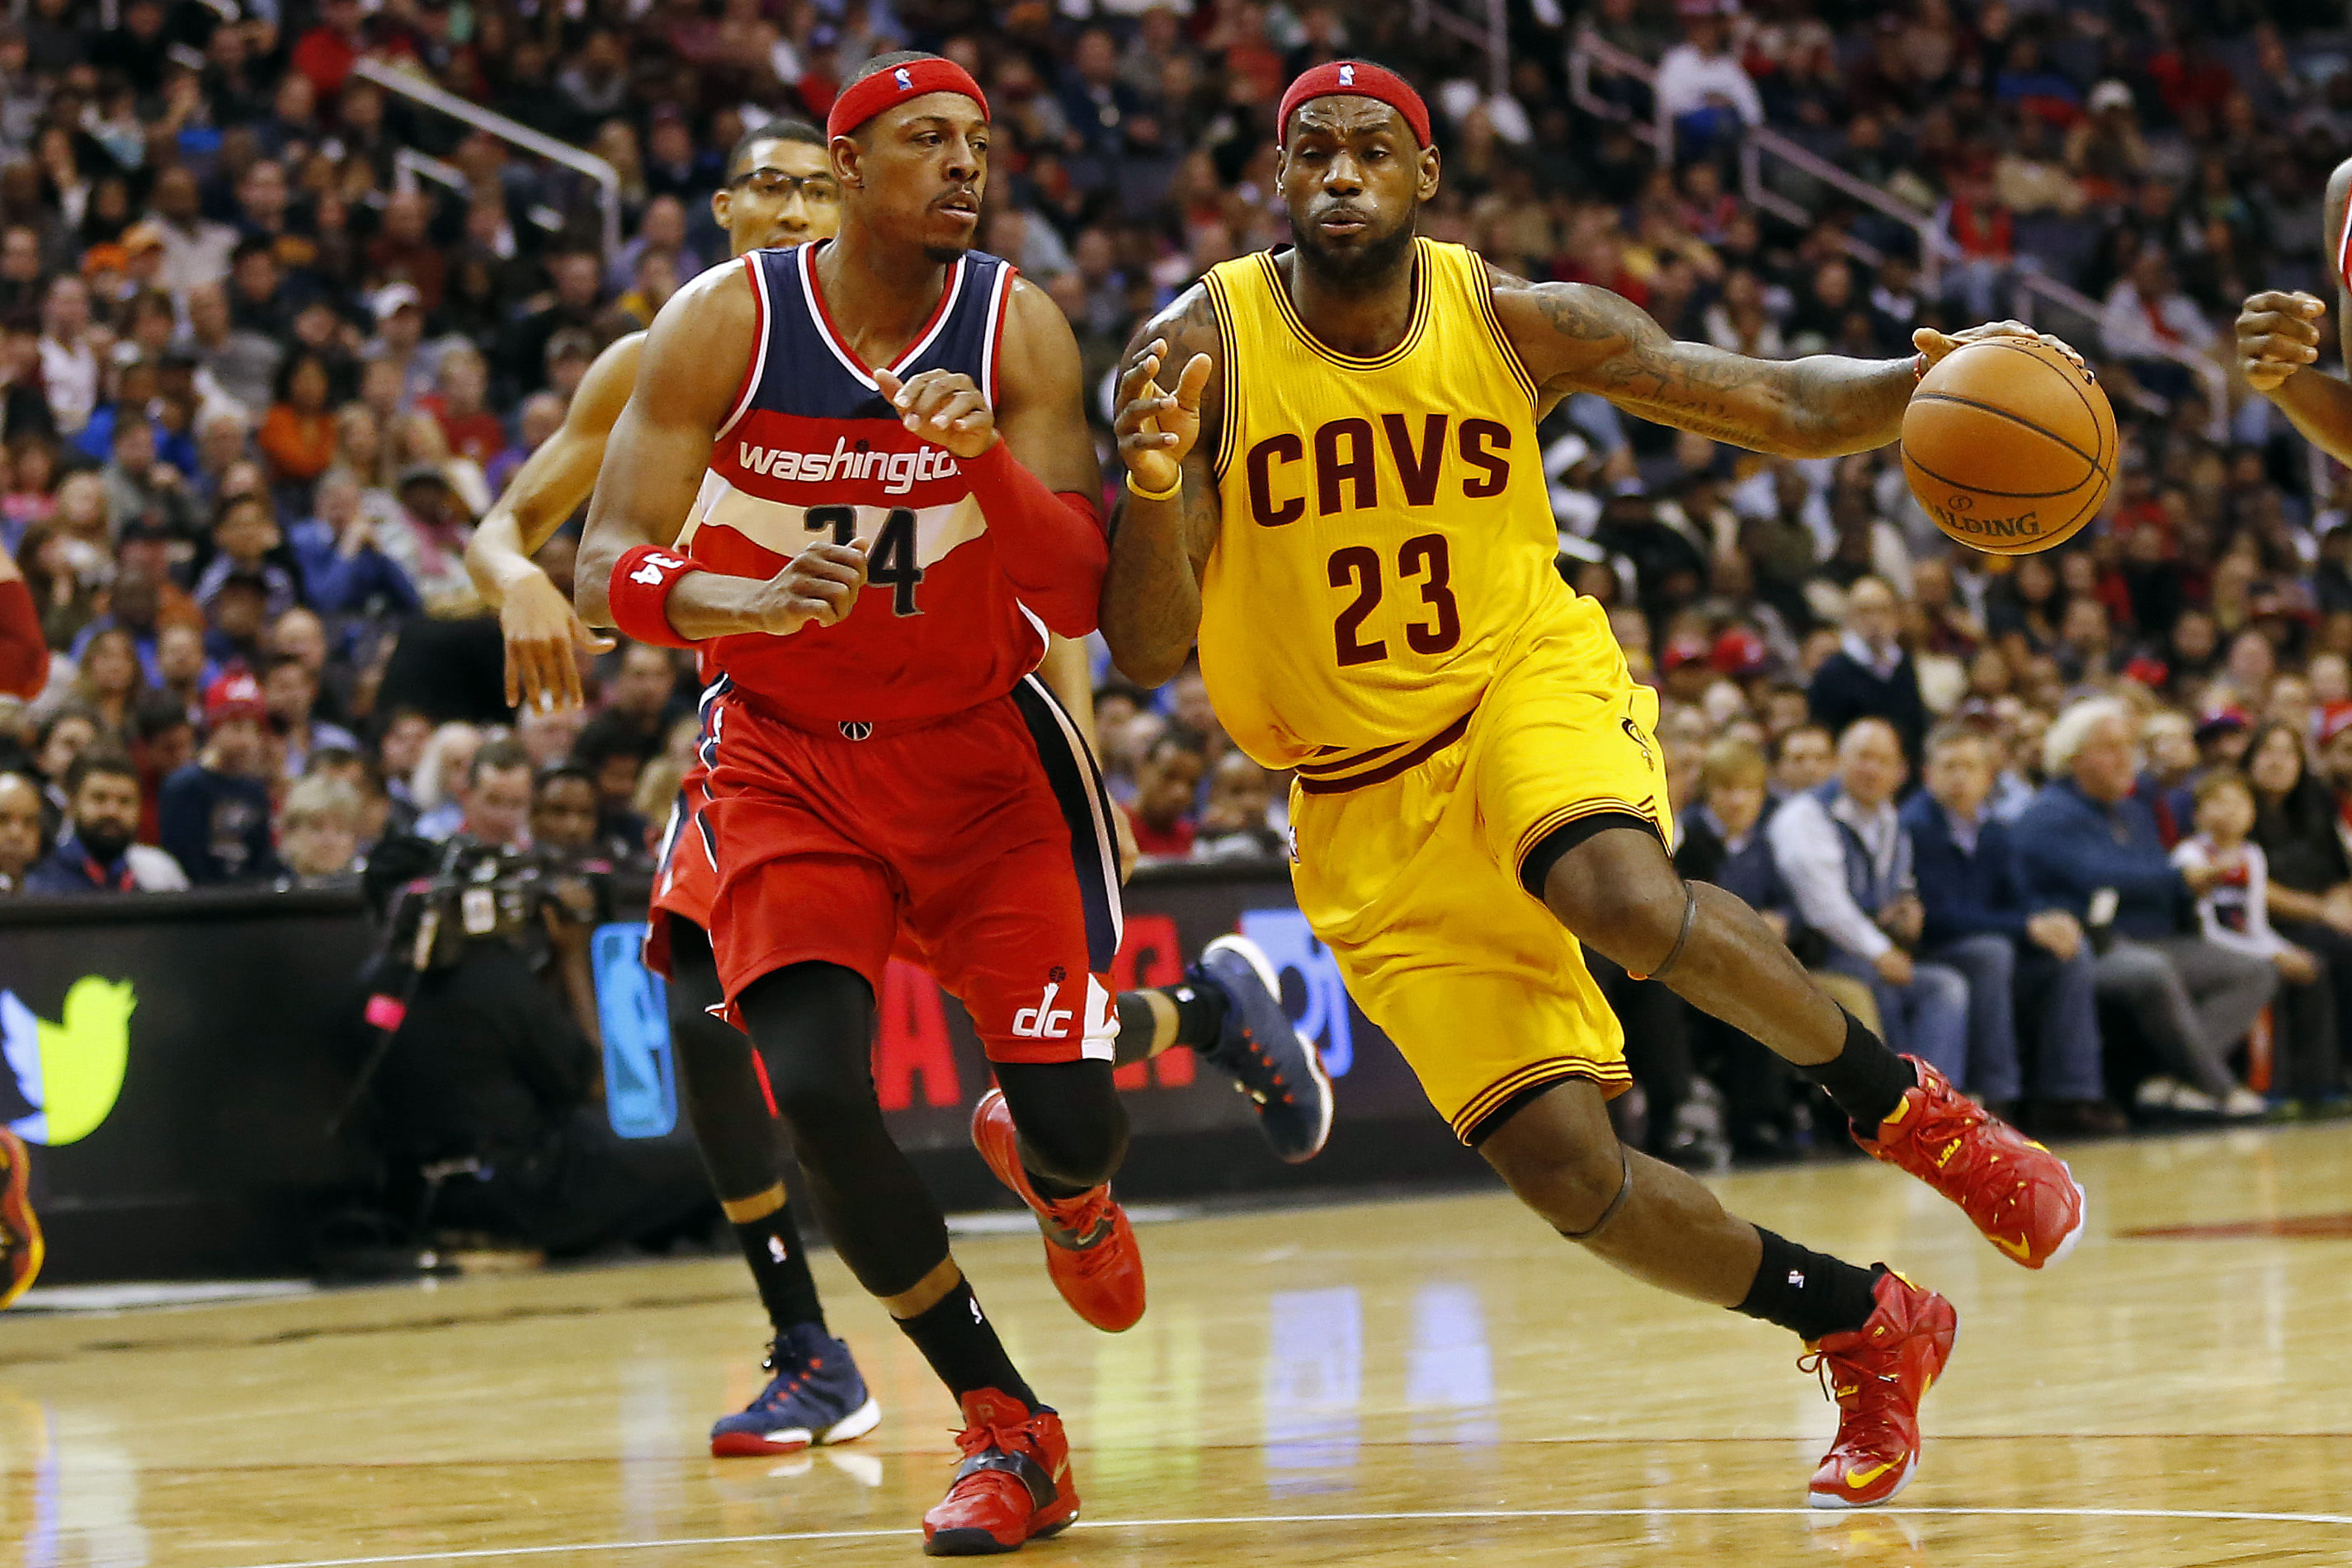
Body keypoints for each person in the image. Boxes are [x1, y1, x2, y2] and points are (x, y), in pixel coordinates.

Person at [1101, 59, 2088, 1514]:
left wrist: (1914, 385)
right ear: (1275, 175)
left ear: (1425, 178)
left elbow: (1760, 398)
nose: (1341, 172)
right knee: (1570, 1175)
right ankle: (1862, 1322)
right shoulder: (1199, 349)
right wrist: (1143, 481)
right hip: (1353, 792)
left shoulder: (1511, 318)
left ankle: (1914, 1113)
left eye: (1374, 148)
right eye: (1312, 149)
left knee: (1616, 889)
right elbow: (1144, 643)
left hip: (1519, 682)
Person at [568, 78, 1328, 1539]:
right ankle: (1002, 1420)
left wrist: (980, 456)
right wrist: (733, 596)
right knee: (815, 1084)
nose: (965, 165)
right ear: (845, 166)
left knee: (1072, 1127)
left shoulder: (1014, 326)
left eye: (981, 145)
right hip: (785, 756)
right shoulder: (719, 324)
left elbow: (1074, 595)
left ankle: (1080, 1171)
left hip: (981, 759)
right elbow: (607, 561)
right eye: (929, 142)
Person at [2013, 699, 2273, 1120]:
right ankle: (2219, 1090)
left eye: (2128, 748)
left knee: (2255, 970)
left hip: (2149, 937)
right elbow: (2100, 875)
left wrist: (2192, 888)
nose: (2124, 759)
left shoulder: (2131, 812)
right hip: (2087, 947)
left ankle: (2171, 1082)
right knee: (2148, 969)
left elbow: (2154, 871)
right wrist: (2181, 879)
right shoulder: (2049, 814)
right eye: (2110, 748)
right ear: (2073, 757)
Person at [1903, 724, 2119, 1134]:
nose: (1959, 777)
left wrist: (2052, 920)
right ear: (1927, 775)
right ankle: (1997, 1093)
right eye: (1949, 766)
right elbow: (1938, 916)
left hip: (1993, 944)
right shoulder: (1916, 827)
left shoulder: (1994, 832)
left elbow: (2019, 899)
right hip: (1934, 949)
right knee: (1992, 954)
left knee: (2071, 954)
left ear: (1988, 778)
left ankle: (2068, 1095)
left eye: (1969, 767)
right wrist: (2027, 925)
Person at [1768, 719, 1970, 1086]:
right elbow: (1824, 909)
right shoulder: (1805, 816)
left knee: (1945, 987)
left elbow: (1900, 884)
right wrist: (1880, 951)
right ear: (1839, 761)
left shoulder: (1889, 817)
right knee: (1881, 989)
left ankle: (1934, 1101)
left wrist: (1907, 908)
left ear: (1900, 771)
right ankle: (1895, 1110)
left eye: (1883, 760)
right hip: (1813, 955)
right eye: (1863, 757)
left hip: (1865, 953)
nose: (1871, 769)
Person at [2172, 770, 2336, 1109]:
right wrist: (2270, 958)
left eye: (2238, 803)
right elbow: (2207, 928)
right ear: (2198, 814)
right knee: (2265, 975)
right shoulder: (2190, 853)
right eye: (2218, 802)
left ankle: (2313, 1084)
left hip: (2246, 945)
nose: (2229, 811)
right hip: (2206, 946)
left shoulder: (2253, 856)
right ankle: (2261, 1086)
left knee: (2311, 966)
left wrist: (2283, 951)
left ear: (2252, 814)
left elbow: (2256, 924)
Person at [158, 671, 285, 884]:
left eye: (254, 730)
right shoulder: (185, 786)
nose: (247, 740)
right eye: (237, 728)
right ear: (213, 730)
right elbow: (182, 859)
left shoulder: (255, 790)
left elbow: (261, 858)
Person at [1807, 577, 1929, 765]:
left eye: (1882, 610)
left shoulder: (1904, 665)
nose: (1875, 620)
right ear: (1849, 617)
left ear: (1896, 616)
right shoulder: (1832, 672)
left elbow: (1915, 728)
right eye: (1865, 611)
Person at [23, 751, 148, 894]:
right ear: (72, 804)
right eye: (99, 798)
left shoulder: (149, 878)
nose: (112, 811)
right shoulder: (40, 883)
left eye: (125, 801)